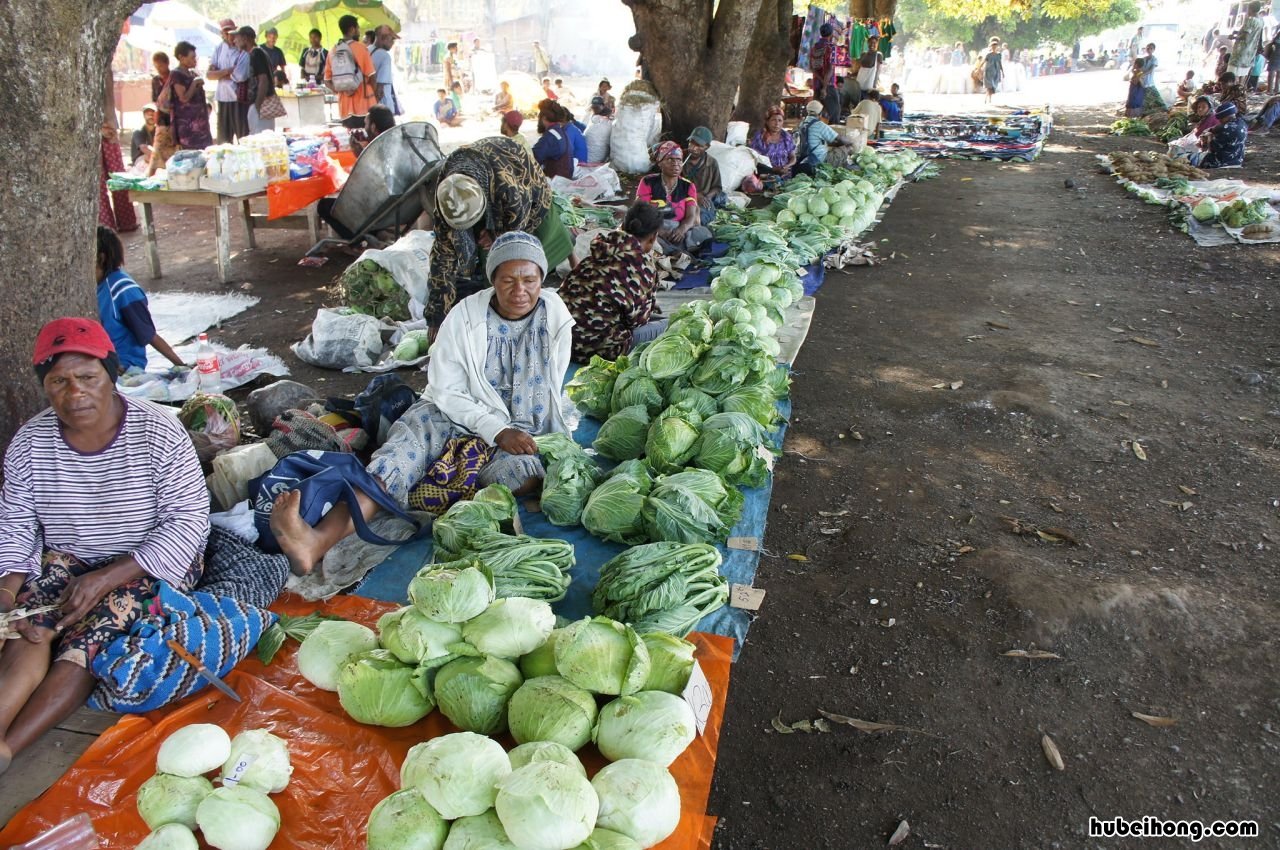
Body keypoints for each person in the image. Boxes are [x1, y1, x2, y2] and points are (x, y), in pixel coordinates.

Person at [268, 232, 574, 576]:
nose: (520, 290)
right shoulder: (466, 318)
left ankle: (454, 493)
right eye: (508, 280)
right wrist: (495, 429)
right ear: (493, 280)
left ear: (542, 279)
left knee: (526, 477)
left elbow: (549, 385)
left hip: (518, 428)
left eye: (529, 280)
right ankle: (315, 541)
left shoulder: (555, 315)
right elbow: (445, 390)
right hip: (448, 415)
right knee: (393, 466)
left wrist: (523, 434)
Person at [0, 318, 208, 774]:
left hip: (146, 562)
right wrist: (6, 594)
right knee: (30, 623)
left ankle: (9, 748)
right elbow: (16, 527)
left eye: (87, 378)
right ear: (45, 386)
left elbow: (188, 519)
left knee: (93, 634)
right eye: (59, 381)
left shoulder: (158, 432)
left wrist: (107, 577)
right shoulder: (30, 443)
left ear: (111, 376)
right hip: (66, 557)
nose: (75, 393)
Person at [427, 136, 571, 331]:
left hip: (528, 190)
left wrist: (496, 235)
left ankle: (507, 317)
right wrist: (436, 320)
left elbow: (513, 245)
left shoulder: (509, 192)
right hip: (486, 187)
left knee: (504, 263)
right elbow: (442, 258)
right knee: (472, 251)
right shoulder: (448, 196)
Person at [559, 202, 667, 362]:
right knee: (670, 324)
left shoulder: (600, 249)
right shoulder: (643, 266)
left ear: (622, 225)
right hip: (598, 351)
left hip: (563, 342)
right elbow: (638, 322)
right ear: (653, 238)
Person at [95, 227, 184, 370]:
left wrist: (182, 366)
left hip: (123, 367)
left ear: (101, 258)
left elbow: (148, 334)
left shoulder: (123, 290)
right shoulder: (96, 285)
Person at [317, 106, 396, 237]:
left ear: (374, 127)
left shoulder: (376, 150)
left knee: (324, 206)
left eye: (366, 123)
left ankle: (359, 242)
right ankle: (373, 233)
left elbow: (363, 185)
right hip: (395, 208)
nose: (364, 127)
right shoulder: (395, 144)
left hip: (375, 208)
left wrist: (360, 154)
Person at [636, 142, 710, 254]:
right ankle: (672, 251)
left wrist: (681, 230)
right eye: (670, 159)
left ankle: (670, 250)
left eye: (679, 160)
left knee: (703, 234)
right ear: (660, 163)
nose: (676, 163)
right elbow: (641, 212)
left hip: (678, 229)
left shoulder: (688, 186)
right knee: (638, 232)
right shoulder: (647, 182)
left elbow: (691, 216)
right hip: (653, 227)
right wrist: (659, 231)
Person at [98, 69, 136, 234]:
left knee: (117, 179)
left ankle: (122, 223)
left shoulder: (103, 68)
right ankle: (107, 228)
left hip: (108, 128)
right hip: (98, 130)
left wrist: (107, 125)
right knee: (101, 184)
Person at [326, 14, 378, 119]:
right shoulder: (361, 48)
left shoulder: (333, 51)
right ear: (352, 29)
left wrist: (341, 90)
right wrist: (375, 97)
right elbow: (372, 76)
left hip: (344, 108)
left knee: (350, 135)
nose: (359, 31)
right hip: (364, 105)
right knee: (364, 135)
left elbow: (327, 81)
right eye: (358, 28)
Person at [207, 19, 248, 143]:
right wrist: (228, 71)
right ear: (222, 33)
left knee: (243, 137)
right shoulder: (219, 48)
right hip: (223, 97)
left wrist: (220, 73)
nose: (230, 34)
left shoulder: (241, 48)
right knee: (224, 139)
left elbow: (241, 74)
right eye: (226, 31)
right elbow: (209, 75)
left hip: (238, 98)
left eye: (232, 31)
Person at [168, 42, 214, 151]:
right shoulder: (176, 74)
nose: (195, 60)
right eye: (192, 57)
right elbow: (183, 98)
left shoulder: (193, 73)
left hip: (202, 128)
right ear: (181, 57)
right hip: (188, 129)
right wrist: (194, 83)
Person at [237, 27, 275, 134]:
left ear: (245, 38)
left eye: (237, 38)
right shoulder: (258, 52)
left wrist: (257, 105)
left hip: (262, 103)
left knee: (260, 138)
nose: (235, 41)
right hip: (264, 103)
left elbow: (263, 80)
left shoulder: (256, 54)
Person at [683, 126, 723, 226]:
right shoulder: (679, 158)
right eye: (691, 142)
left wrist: (706, 198)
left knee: (703, 217)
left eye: (699, 145)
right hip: (682, 197)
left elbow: (717, 187)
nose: (693, 148)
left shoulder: (712, 163)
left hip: (702, 200)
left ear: (707, 147)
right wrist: (695, 196)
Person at [792, 99, 840, 176]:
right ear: (820, 113)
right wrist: (852, 141)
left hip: (802, 159)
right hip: (818, 160)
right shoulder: (820, 125)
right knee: (845, 149)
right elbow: (840, 139)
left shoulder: (800, 124)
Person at [147, 53, 175, 176]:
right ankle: (151, 175)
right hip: (162, 119)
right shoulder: (155, 81)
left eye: (161, 66)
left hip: (175, 119)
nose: (159, 69)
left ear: (167, 64)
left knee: (174, 149)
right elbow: (156, 100)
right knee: (157, 149)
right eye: (156, 66)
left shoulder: (174, 78)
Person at [1196, 102, 1247, 167]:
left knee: (1194, 160)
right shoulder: (1241, 122)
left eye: (1221, 119)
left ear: (1225, 117)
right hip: (1238, 159)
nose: (1220, 121)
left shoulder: (1226, 129)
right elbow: (1218, 127)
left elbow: (1213, 148)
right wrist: (1211, 130)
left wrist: (1208, 138)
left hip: (1223, 162)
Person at [532, 99, 574, 178]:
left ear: (544, 118)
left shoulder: (550, 137)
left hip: (555, 184)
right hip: (566, 179)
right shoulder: (560, 132)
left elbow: (532, 160)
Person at [749, 105, 796, 175]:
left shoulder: (786, 137)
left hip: (785, 176)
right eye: (774, 120)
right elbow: (755, 160)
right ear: (767, 122)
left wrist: (786, 166)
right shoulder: (759, 137)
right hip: (765, 176)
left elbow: (793, 157)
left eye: (780, 120)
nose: (777, 124)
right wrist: (773, 169)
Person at [371, 25, 403, 115]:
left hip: (368, 101)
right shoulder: (384, 56)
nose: (393, 43)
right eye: (391, 39)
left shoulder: (366, 50)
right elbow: (380, 89)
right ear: (382, 38)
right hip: (382, 106)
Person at [811, 23, 840, 122]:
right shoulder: (831, 47)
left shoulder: (815, 47)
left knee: (816, 114)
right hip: (829, 86)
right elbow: (830, 69)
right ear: (831, 34)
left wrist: (820, 81)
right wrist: (824, 87)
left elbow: (813, 68)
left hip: (816, 85)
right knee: (834, 114)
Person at [1230, 2, 1265, 80]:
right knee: (1244, 74)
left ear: (1251, 9)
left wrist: (1234, 37)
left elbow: (1245, 36)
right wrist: (1237, 32)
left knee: (1234, 73)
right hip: (1251, 51)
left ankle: (1233, 90)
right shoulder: (1261, 21)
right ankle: (1241, 90)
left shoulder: (1251, 20)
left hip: (1242, 50)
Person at [983, 37, 1004, 103]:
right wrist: (979, 69)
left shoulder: (999, 55)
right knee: (989, 86)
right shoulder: (988, 54)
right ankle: (987, 98)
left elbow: (1000, 63)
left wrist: (1002, 71)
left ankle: (989, 98)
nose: (994, 47)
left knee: (993, 86)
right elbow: (984, 62)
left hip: (995, 72)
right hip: (988, 71)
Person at [1266, 29, 1280, 96]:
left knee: (1272, 71)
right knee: (1278, 73)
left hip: (1277, 52)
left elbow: (1275, 41)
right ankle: (1277, 90)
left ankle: (1270, 91)